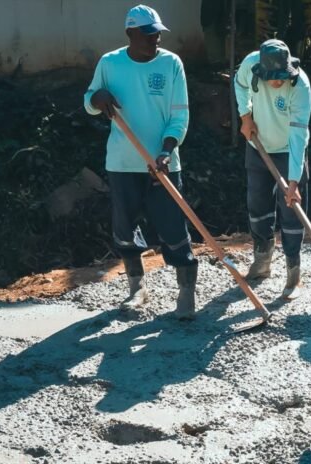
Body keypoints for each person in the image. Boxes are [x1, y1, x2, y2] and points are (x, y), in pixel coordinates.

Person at [83, 5, 196, 319]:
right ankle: (137, 288)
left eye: (157, 32)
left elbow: (179, 115)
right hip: (122, 163)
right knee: (124, 229)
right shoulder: (110, 63)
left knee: (174, 228)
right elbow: (89, 101)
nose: (155, 38)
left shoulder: (172, 64)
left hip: (163, 164)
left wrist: (166, 151)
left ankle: (186, 293)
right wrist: (98, 98)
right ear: (130, 34)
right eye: (148, 33)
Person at [234, 39, 311, 299]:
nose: (278, 82)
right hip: (258, 147)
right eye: (273, 78)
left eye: (282, 76)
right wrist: (245, 116)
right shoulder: (249, 65)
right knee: (257, 205)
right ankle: (262, 260)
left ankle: (293, 273)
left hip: (289, 150)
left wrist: (293, 182)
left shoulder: (300, 86)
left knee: (292, 212)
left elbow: (299, 134)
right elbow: (240, 84)